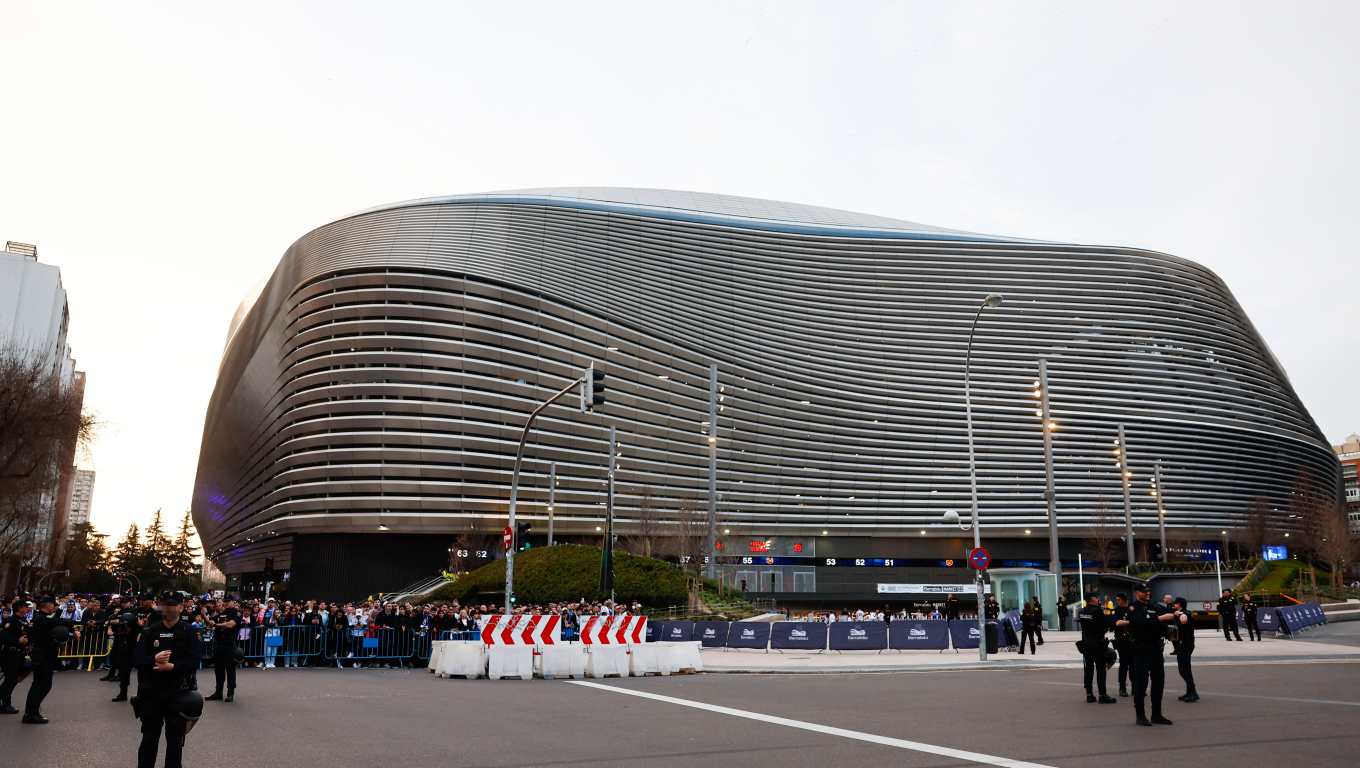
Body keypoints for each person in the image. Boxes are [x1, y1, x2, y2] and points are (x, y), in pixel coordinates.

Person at [133, 593, 199, 768]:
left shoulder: (189, 632)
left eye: (173, 605)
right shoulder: (149, 631)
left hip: (177, 692)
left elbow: (194, 661)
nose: (169, 608)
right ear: (161, 607)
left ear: (180, 607)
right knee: (149, 739)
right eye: (165, 605)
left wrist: (173, 667)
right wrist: (153, 659)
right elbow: (138, 659)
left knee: (175, 741)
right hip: (151, 692)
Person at [1117, 583, 1178, 726]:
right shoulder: (1133, 607)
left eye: (1148, 591)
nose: (1148, 593)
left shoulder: (1154, 606)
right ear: (1137, 593)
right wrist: (1160, 619)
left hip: (1156, 648)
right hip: (1141, 649)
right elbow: (1139, 622)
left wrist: (1178, 613)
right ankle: (1140, 715)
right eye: (1144, 592)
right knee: (1141, 683)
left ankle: (1157, 714)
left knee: (1158, 682)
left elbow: (1169, 612)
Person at [22, 594, 79, 724]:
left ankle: (33, 712)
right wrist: (73, 624)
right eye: (53, 604)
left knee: (39, 685)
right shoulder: (40, 618)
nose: (55, 607)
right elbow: (58, 622)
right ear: (47, 605)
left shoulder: (43, 618)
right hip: (42, 657)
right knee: (42, 685)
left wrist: (72, 628)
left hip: (44, 656)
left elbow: (57, 622)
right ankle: (31, 714)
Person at [1078, 595, 1117, 704]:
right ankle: (1102, 695)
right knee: (1100, 669)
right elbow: (1104, 626)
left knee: (1088, 669)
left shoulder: (1082, 611)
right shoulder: (1098, 611)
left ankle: (1089, 694)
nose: (1098, 599)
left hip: (1086, 643)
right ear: (1092, 599)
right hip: (1097, 644)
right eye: (1096, 597)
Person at [0, 599, 32, 714]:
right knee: (10, 680)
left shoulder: (24, 620)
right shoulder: (10, 621)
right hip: (10, 654)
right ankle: (5, 705)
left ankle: (3, 697)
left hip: (20, 654)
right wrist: (17, 641)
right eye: (25, 606)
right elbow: (3, 637)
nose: (27, 608)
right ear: (19, 608)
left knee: (25, 670)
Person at [206, 598, 239, 702]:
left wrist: (216, 625)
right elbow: (211, 622)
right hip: (219, 645)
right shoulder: (221, 614)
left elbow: (231, 624)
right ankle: (218, 692)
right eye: (225, 601)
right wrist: (205, 615)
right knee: (218, 670)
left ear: (232, 602)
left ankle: (230, 693)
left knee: (230, 669)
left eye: (229, 601)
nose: (226, 603)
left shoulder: (235, 613)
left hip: (229, 645)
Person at [1171, 597, 1198, 702]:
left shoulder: (1185, 613)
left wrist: (1180, 614)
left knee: (1184, 669)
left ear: (1179, 604)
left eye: (1175, 603)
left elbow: (1184, 620)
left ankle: (1193, 693)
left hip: (1186, 645)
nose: (1174, 605)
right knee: (1183, 669)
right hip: (1182, 645)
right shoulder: (1179, 613)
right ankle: (1190, 691)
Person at [1111, 593, 1133, 697]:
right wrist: (1132, 621)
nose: (1117, 601)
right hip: (1121, 640)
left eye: (1119, 599)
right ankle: (1122, 688)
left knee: (1134, 664)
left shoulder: (1132, 608)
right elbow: (1118, 623)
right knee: (1124, 664)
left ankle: (1135, 687)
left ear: (1124, 600)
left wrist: (1127, 622)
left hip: (1133, 640)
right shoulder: (1117, 610)